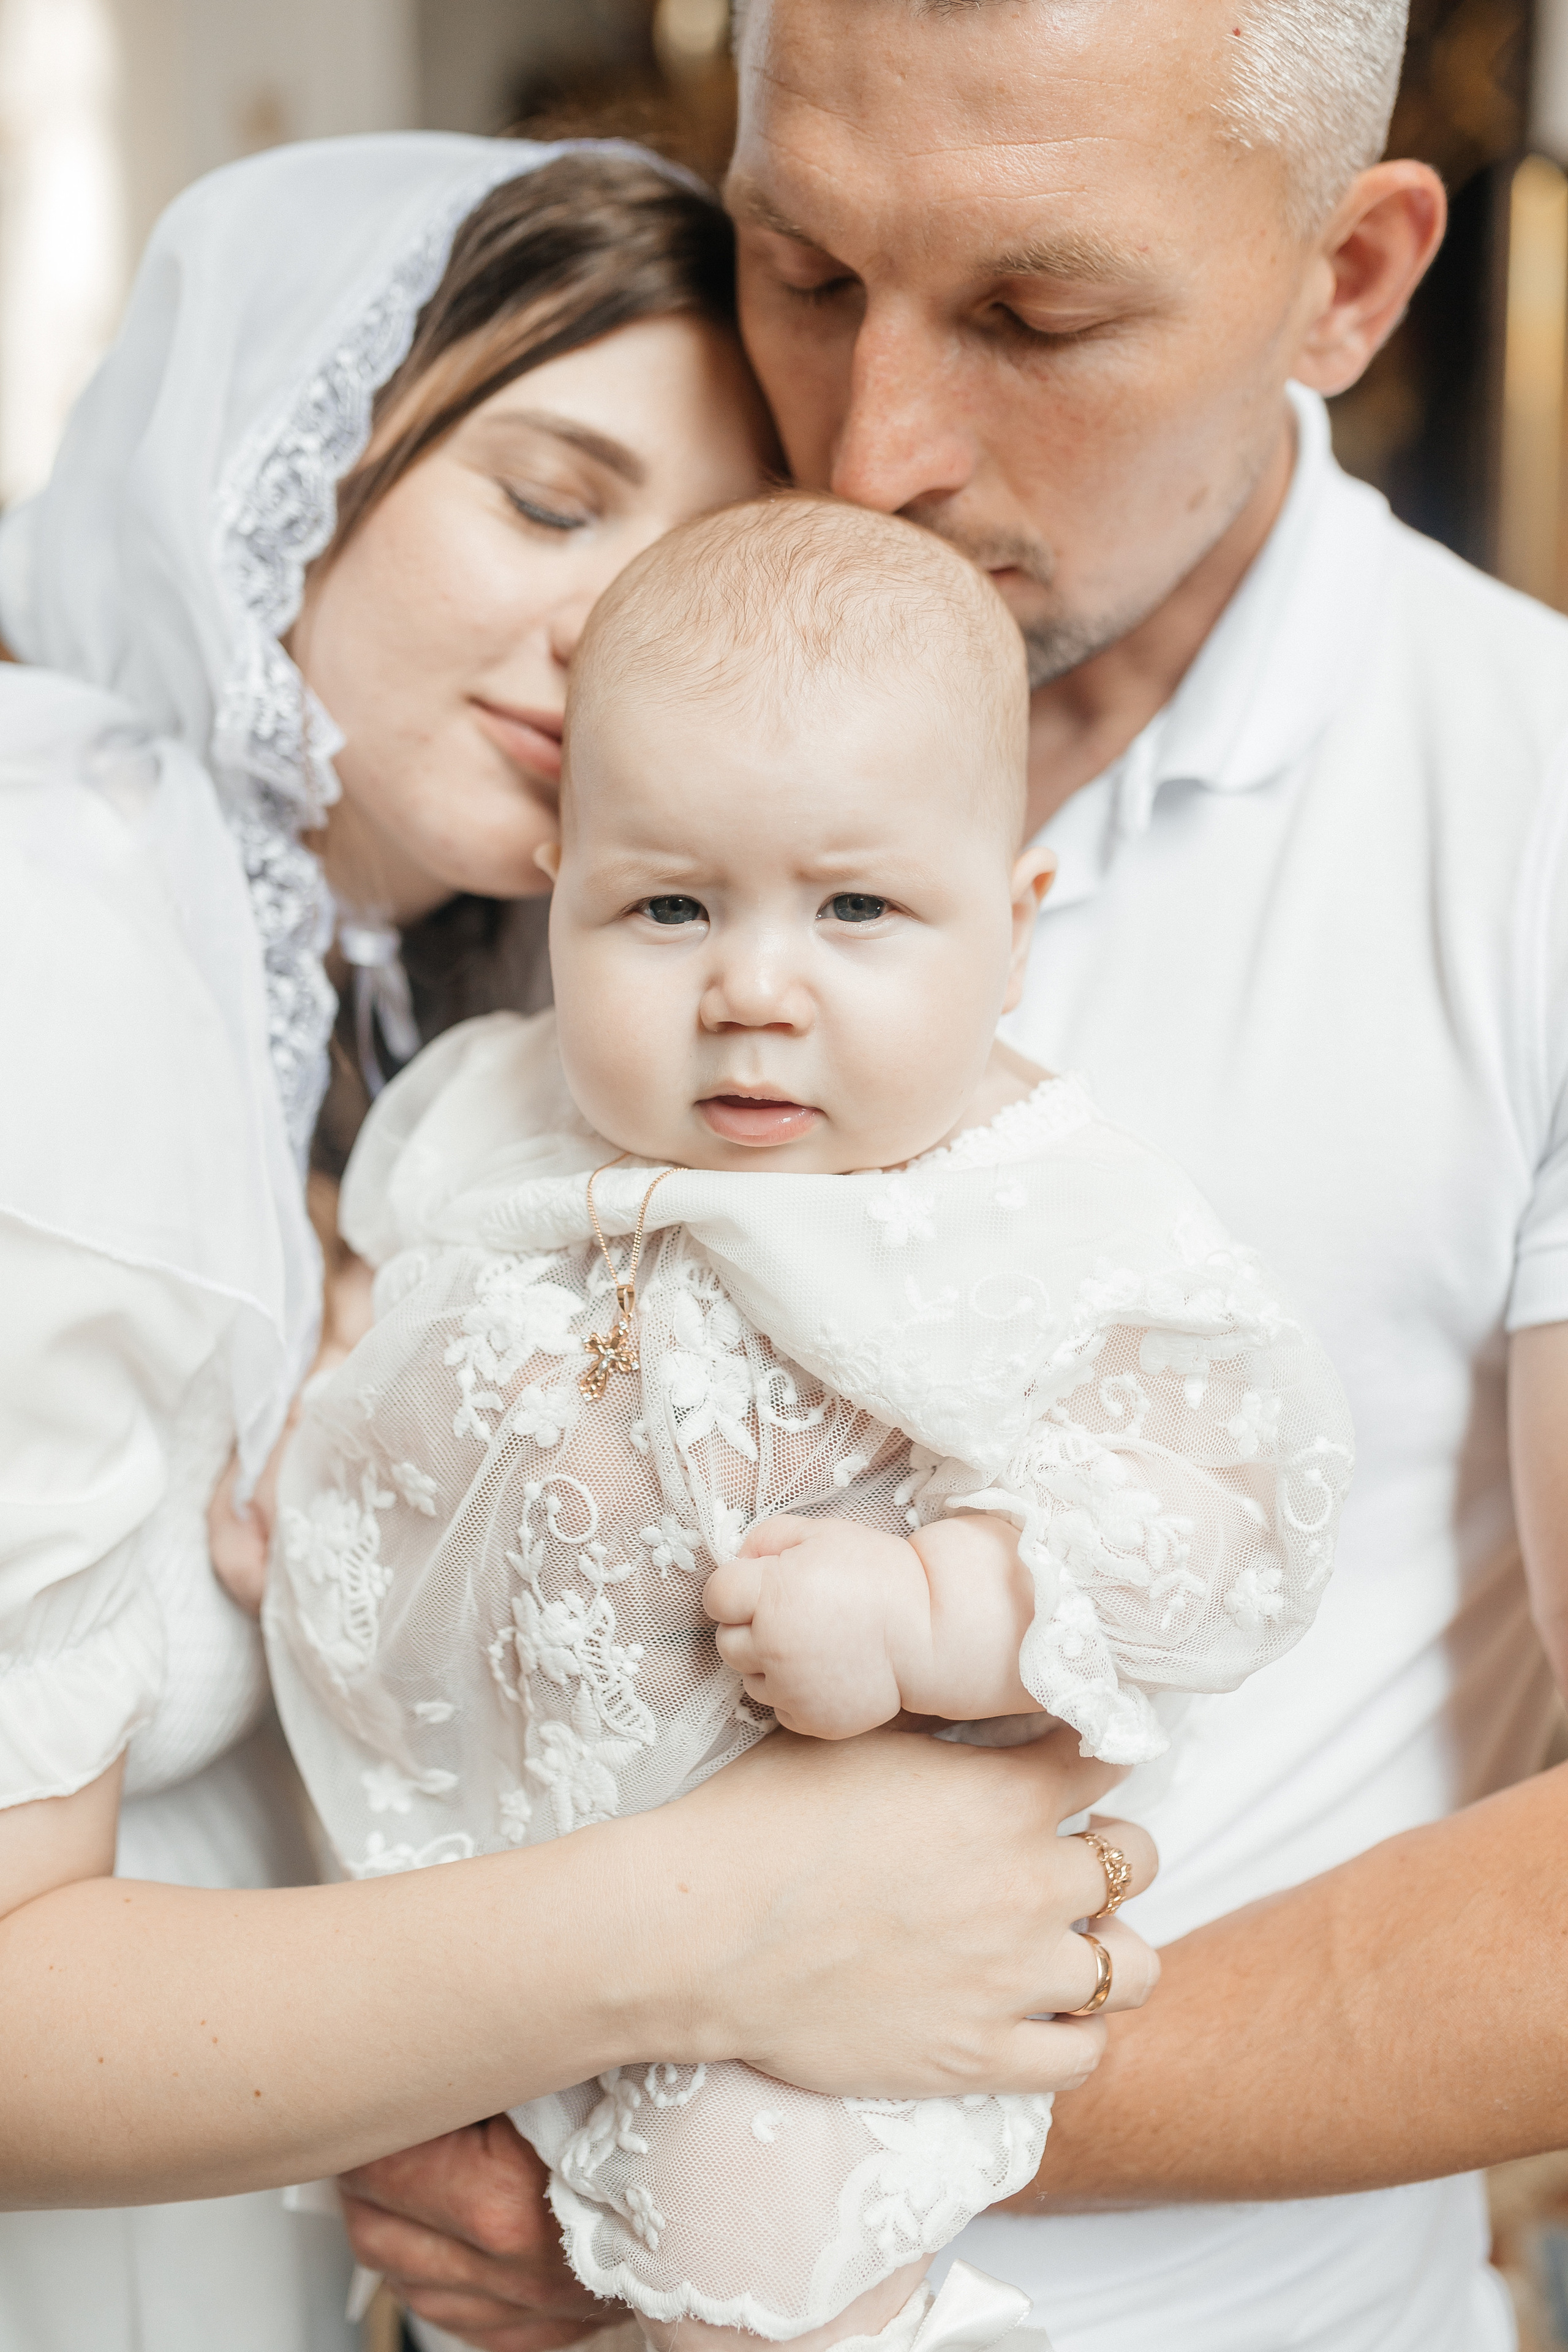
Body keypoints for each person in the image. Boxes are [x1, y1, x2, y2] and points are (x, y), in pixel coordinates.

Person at [338, 4, 1568, 2348]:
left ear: (1354, 277)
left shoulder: (1534, 831)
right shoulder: (598, 660)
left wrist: (694, 2136)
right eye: (804, 271)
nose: (875, 448)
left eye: (1037, 316)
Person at [0, 133, 1158, 2352]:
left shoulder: (436, 1029)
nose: (602, 630)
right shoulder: (65, 946)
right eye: (547, 499)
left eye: (681, 569)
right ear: (294, 459)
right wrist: (739, 1917)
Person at [263, 492, 1352, 2352]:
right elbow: (389, 1285)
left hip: (805, 1960)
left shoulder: (1022, 1203)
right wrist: (327, 1447)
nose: (753, 990)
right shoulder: (495, 1109)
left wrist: (943, 1604)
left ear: (1011, 930)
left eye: (856, 910)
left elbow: (1223, 1496)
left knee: (748, 2241)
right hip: (462, 1918)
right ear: (558, 892)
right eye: (667, 906)